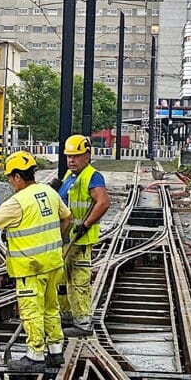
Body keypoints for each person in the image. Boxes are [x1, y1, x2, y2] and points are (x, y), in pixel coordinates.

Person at [0, 151, 72, 372]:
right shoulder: (49, 192)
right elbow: (67, 218)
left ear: (18, 177)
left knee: (31, 309)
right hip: (53, 263)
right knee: (50, 307)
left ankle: (35, 355)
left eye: (11, 178)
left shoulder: (18, 202)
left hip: (31, 267)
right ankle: (56, 351)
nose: (10, 182)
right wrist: (55, 239)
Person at [57, 135, 111, 337]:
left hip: (80, 240)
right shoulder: (69, 177)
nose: (71, 160)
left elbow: (103, 202)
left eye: (76, 156)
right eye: (69, 156)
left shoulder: (91, 176)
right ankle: (67, 316)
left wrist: (86, 225)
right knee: (62, 281)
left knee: (78, 281)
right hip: (66, 238)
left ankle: (83, 323)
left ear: (87, 156)